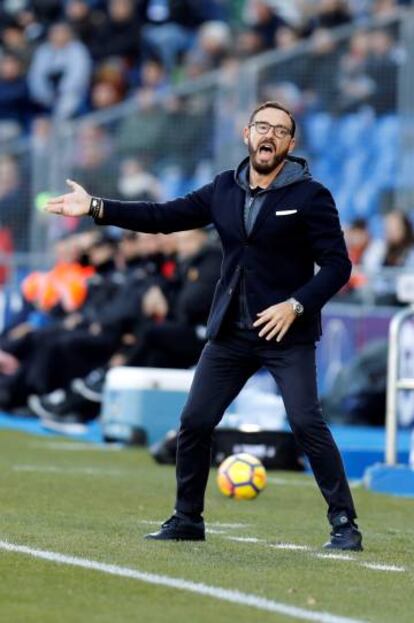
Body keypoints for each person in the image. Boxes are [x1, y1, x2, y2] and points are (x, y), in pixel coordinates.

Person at [45, 100, 362, 551]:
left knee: (307, 423)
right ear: (247, 135)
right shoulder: (223, 189)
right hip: (231, 330)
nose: (268, 135)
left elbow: (337, 266)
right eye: (261, 126)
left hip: (285, 332)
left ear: (290, 144)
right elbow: (162, 217)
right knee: (194, 421)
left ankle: (345, 524)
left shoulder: (311, 197)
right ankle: (187, 519)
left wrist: (295, 305)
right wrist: (96, 206)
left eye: (279, 130)